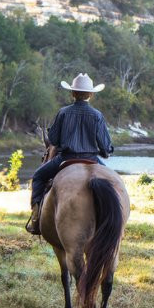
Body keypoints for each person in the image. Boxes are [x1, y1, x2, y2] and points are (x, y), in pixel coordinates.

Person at [25, 73, 114, 235]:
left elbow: (53, 139)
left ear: (73, 93)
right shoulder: (97, 116)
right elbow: (106, 148)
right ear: (91, 94)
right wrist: (104, 151)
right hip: (92, 160)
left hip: (66, 158)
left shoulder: (63, 113)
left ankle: (36, 217)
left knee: (38, 177)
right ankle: (117, 219)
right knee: (114, 182)